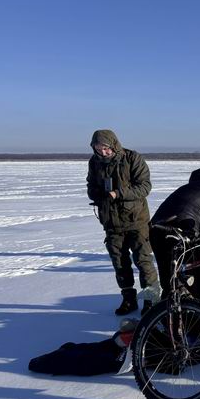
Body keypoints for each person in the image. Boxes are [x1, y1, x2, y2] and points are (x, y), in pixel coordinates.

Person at [86, 129, 159, 316]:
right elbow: (91, 187)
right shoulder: (94, 163)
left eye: (105, 148)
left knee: (144, 261)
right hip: (111, 223)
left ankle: (151, 300)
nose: (103, 152)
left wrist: (118, 194)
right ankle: (128, 298)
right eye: (98, 148)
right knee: (119, 263)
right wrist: (99, 195)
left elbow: (144, 187)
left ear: (113, 145)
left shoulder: (132, 158)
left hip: (136, 221)